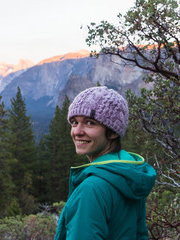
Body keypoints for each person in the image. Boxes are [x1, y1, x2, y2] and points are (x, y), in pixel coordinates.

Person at [54, 86, 156, 240]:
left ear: (113, 132)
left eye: (89, 123)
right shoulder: (129, 175)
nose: (77, 131)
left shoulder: (91, 189)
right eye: (74, 122)